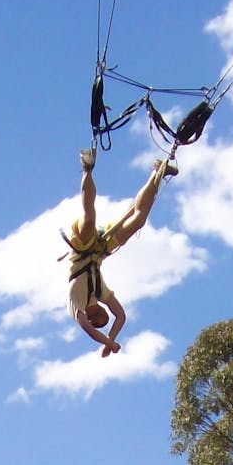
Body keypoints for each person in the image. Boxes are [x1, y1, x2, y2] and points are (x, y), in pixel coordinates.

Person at [64, 147, 177, 357]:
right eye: (105, 316)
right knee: (138, 220)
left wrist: (107, 342)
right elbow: (121, 316)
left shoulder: (75, 300)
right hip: (102, 249)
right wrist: (111, 341)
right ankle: (157, 172)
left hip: (81, 247)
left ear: (93, 318)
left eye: (101, 318)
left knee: (89, 218)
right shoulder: (101, 293)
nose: (105, 313)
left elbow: (86, 328)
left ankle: (87, 168)